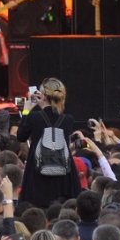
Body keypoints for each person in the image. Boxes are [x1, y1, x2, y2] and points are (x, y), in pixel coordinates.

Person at [17, 78, 81, 207]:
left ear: (43, 96)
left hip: (38, 173)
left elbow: (21, 136)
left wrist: (26, 110)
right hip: (63, 174)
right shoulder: (68, 119)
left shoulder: (34, 117)